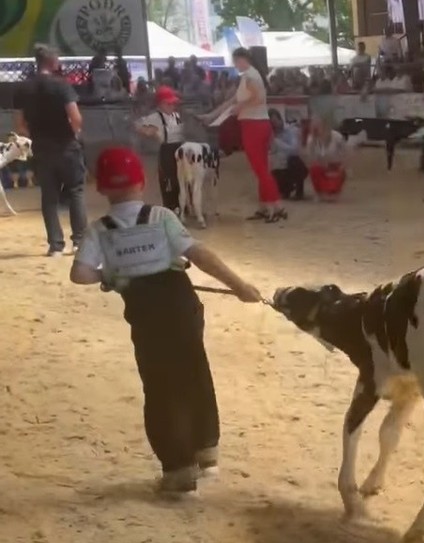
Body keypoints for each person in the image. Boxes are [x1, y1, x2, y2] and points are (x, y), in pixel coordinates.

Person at [69, 147, 262, 494]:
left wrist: (112, 276)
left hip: (146, 317)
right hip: (181, 306)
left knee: (159, 387)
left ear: (100, 188)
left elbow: (80, 274)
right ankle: (207, 450)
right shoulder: (160, 217)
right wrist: (239, 286)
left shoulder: (100, 230)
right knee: (194, 371)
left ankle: (178, 468)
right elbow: (199, 255)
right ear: (141, 183)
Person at [12, 44, 87, 257]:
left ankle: (56, 245)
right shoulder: (62, 86)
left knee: (49, 196)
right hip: (66, 145)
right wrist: (73, 133)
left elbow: (19, 124)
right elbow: (75, 117)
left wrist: (37, 135)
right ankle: (79, 241)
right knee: (76, 191)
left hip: (42, 146)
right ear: (53, 62)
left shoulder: (23, 88)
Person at [200, 48, 285, 222]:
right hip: (257, 123)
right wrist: (212, 115)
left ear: (241, 59)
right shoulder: (250, 75)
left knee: (260, 169)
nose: (235, 65)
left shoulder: (250, 76)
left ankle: (275, 206)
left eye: (235, 61)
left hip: (253, 124)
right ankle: (267, 205)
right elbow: (233, 101)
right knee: (261, 168)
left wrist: (241, 107)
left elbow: (257, 98)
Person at [135, 85, 185, 212]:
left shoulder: (176, 116)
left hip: (180, 151)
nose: (172, 106)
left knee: (181, 179)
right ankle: (170, 207)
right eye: (168, 104)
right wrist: (148, 131)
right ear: (160, 104)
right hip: (166, 153)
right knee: (168, 181)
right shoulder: (155, 117)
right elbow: (138, 125)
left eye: (173, 103)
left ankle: (182, 205)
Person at [304, 118, 348, 202]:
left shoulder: (337, 136)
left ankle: (335, 192)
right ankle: (319, 193)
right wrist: (313, 141)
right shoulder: (311, 139)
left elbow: (345, 153)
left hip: (335, 165)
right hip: (320, 166)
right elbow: (309, 158)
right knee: (314, 169)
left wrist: (342, 165)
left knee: (341, 171)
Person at [269, 108, 308, 200]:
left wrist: (278, 143)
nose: (274, 124)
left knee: (293, 160)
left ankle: (299, 191)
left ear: (280, 119)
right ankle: (286, 189)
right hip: (279, 166)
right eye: (272, 122)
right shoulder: (271, 135)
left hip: (293, 164)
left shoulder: (291, 130)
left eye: (275, 121)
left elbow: (294, 150)